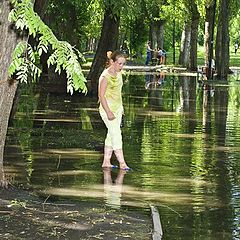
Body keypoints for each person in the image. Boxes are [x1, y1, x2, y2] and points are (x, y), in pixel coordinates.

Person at [98, 50, 131, 170]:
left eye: (123, 64)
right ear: (112, 62)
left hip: (117, 109)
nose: (121, 66)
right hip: (107, 110)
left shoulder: (119, 73)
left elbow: (118, 93)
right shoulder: (105, 77)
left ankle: (106, 161)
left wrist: (121, 108)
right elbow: (101, 96)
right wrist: (108, 112)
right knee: (116, 134)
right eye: (119, 64)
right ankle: (122, 163)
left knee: (111, 134)